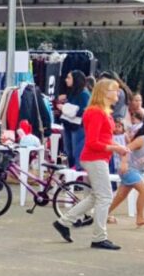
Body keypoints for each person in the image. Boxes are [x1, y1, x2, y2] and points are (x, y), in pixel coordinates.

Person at [52, 78, 130, 250]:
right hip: (95, 158)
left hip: (98, 158)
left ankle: (64, 222)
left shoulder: (102, 111)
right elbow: (93, 142)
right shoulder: (96, 112)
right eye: (114, 90)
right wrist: (115, 148)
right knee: (105, 197)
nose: (117, 93)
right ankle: (99, 237)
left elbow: (101, 139)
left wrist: (116, 147)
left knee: (97, 196)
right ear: (103, 92)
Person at [106, 115, 144, 227]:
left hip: (138, 171)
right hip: (128, 169)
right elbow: (126, 149)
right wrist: (123, 163)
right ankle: (140, 218)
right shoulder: (142, 139)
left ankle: (103, 214)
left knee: (120, 196)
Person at [61, 71, 90, 168]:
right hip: (68, 124)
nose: (66, 80)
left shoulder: (84, 94)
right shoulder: (72, 92)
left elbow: (83, 111)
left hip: (78, 127)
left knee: (76, 151)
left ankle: (78, 174)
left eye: (69, 78)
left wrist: (65, 108)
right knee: (68, 151)